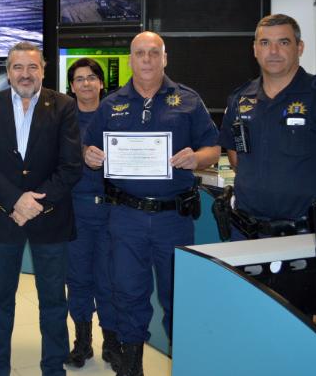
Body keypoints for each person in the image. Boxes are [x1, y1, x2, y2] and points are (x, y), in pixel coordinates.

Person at [83, 31, 220, 376]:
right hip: (125, 216)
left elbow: (213, 149)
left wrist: (197, 158)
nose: (146, 59)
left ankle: (183, 362)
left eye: (153, 53)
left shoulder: (188, 100)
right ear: (130, 60)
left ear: (164, 58)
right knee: (128, 292)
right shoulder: (111, 104)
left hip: (173, 218)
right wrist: (90, 155)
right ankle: (131, 365)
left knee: (178, 296)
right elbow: (87, 148)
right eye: (140, 53)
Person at [0, 41, 83, 376]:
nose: (25, 74)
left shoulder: (63, 106)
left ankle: (54, 368)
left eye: (32, 67)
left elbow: (71, 167)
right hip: (4, 217)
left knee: (53, 301)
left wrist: (35, 202)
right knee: (1, 301)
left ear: (43, 70)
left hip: (50, 218)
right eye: (18, 67)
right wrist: (14, 200)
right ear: (7, 73)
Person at [218, 14, 316, 240]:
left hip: (306, 232)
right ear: (255, 49)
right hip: (246, 231)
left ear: (300, 47)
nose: (274, 51)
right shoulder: (240, 98)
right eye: (265, 43)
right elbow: (238, 158)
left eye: (284, 42)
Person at [63, 58, 119, 370]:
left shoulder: (118, 115)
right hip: (76, 211)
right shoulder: (62, 119)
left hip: (112, 209)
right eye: (79, 79)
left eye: (91, 77)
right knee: (79, 279)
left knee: (109, 280)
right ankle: (82, 342)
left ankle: (111, 343)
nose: (85, 83)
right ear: (71, 86)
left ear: (100, 83)